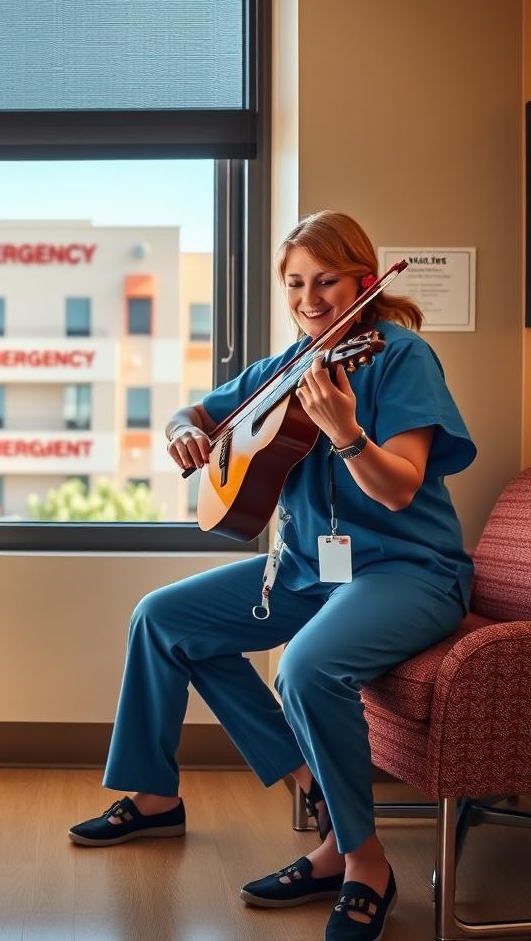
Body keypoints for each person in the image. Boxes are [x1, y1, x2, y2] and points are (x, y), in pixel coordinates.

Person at [69, 211, 475, 941]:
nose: (310, 297)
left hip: (405, 571)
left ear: (362, 279)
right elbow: (191, 411)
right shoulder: (287, 364)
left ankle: (361, 861)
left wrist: (346, 434)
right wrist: (186, 432)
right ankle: (161, 796)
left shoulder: (398, 356)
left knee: (308, 667)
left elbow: (400, 488)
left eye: (326, 281)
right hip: (305, 568)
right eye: (295, 283)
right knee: (164, 620)